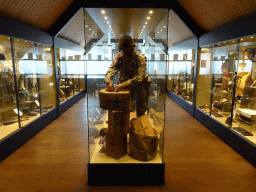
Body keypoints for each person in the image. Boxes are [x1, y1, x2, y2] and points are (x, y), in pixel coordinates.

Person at [104, 35, 150, 117]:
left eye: (124, 49)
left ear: (131, 47)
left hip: (137, 85)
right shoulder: (120, 55)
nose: (122, 51)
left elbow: (139, 78)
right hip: (124, 84)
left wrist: (122, 85)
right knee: (121, 109)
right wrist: (108, 81)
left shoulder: (140, 58)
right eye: (121, 49)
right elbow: (113, 68)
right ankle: (123, 126)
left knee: (141, 108)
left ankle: (139, 126)